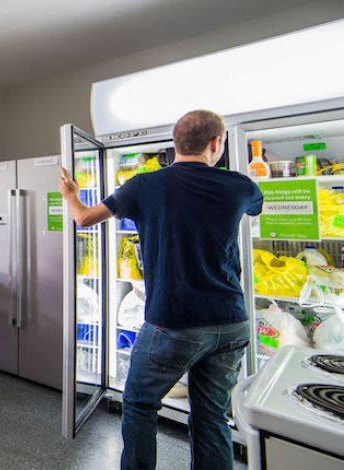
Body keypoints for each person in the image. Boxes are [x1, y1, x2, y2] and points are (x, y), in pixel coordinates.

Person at [58, 110, 263, 470]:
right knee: (211, 415)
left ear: (175, 144)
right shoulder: (240, 186)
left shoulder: (144, 185)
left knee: (139, 404)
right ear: (215, 144)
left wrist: (72, 194)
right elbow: (255, 210)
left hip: (173, 323)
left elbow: (83, 218)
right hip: (230, 323)